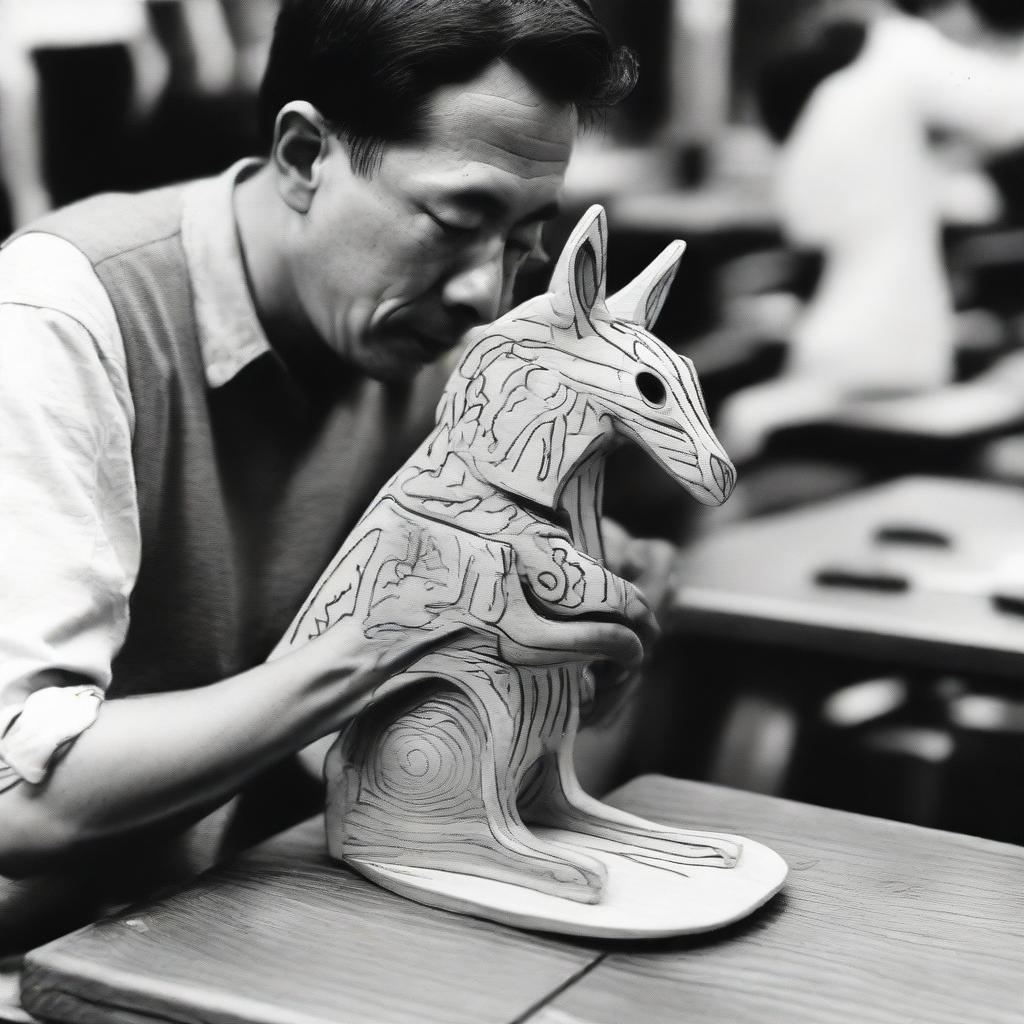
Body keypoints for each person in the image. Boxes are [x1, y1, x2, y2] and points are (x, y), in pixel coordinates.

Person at [0, 0, 661, 949]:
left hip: (219, 915)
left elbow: (343, 742)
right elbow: (23, 803)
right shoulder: (62, 319)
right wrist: (392, 630)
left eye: (524, 241)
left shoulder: (434, 351)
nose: (486, 290)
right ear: (306, 155)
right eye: (455, 218)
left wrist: (546, 643)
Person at [715, 0, 1024, 467]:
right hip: (884, 350)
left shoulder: (846, 97)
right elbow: (1008, 112)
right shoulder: (904, 52)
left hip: (847, 341)